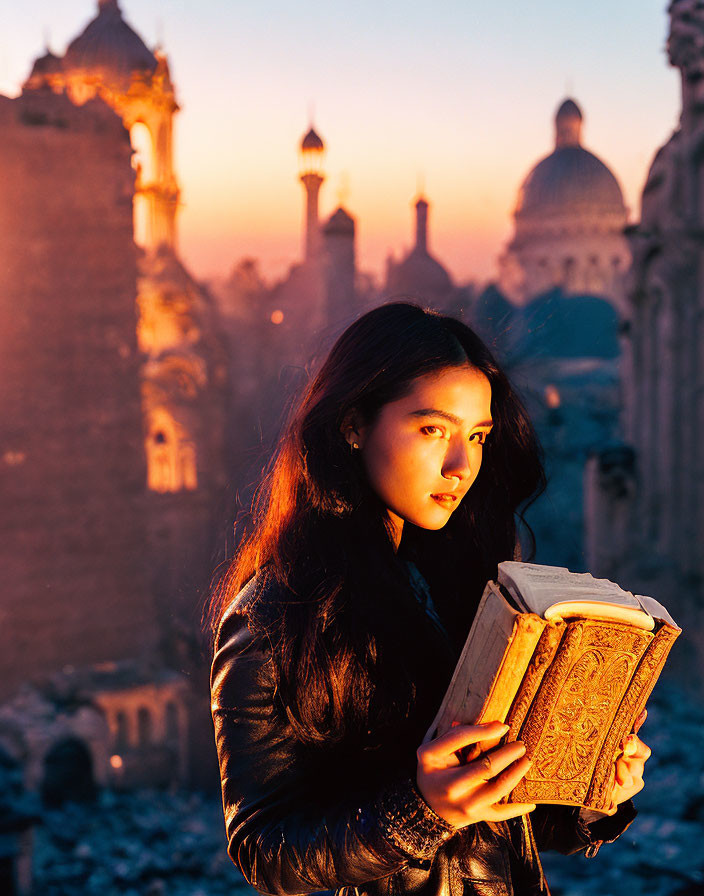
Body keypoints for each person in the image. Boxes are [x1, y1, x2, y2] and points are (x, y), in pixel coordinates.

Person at [209, 301, 649, 896]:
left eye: (477, 436)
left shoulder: (466, 586)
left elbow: (504, 819)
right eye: (432, 429)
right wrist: (421, 810)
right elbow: (265, 852)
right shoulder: (273, 615)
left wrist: (597, 795)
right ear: (353, 425)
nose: (461, 465)